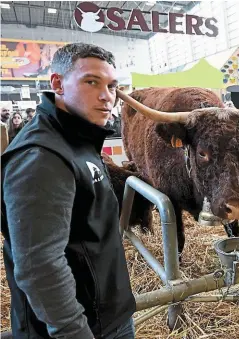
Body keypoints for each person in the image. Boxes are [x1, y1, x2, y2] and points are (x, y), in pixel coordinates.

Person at [1, 43, 136, 338]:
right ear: (58, 84)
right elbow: (40, 267)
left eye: (112, 86)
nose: (107, 96)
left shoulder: (77, 137)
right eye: (91, 82)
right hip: (83, 328)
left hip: (106, 316)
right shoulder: (40, 157)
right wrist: (74, 332)